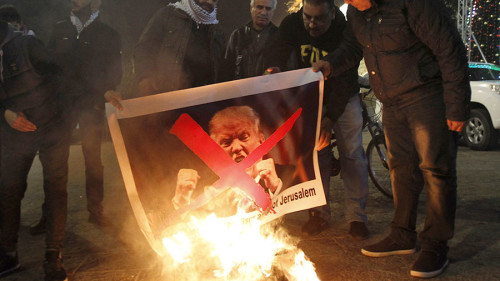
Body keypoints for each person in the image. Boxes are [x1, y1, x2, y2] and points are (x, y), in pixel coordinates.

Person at [312, 0, 470, 278]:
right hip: (393, 103)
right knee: (401, 170)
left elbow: (450, 49)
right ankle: (402, 235)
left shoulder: (414, 4)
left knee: (436, 170)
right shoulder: (356, 13)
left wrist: (457, 105)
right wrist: (331, 64)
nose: (348, 3)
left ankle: (435, 245)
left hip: (427, 96)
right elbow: (354, 46)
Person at [265, 0, 370, 239]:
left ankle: (357, 217)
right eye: (308, 17)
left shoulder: (344, 28)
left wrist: (330, 118)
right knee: (317, 155)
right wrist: (273, 68)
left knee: (352, 153)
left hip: (343, 95)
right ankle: (319, 213)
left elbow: (344, 81)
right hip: (311, 96)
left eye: (319, 18)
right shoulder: (292, 23)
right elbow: (276, 48)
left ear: (332, 13)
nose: (312, 24)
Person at [30, 0, 122, 234]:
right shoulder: (61, 29)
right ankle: (49, 215)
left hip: (91, 105)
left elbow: (114, 70)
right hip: (61, 106)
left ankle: (96, 211)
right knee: (55, 161)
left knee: (93, 161)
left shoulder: (108, 33)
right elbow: (49, 66)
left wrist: (107, 90)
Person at [0, 21, 71, 281]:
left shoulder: (28, 46)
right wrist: (5, 114)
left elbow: (63, 79)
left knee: (55, 189)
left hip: (52, 128)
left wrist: (61, 121)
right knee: (8, 190)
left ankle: (53, 256)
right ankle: (7, 253)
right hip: (13, 133)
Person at [134, 0, 226, 96]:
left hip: (204, 100)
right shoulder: (168, 15)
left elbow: (221, 71)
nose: (209, 2)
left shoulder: (217, 33)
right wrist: (145, 77)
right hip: (167, 95)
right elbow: (144, 48)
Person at [224, 0, 278, 80]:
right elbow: (227, 70)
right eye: (260, 7)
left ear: (273, 11)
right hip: (242, 90)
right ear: (251, 8)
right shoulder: (237, 36)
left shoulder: (280, 37)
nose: (263, 13)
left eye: (268, 9)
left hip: (269, 90)